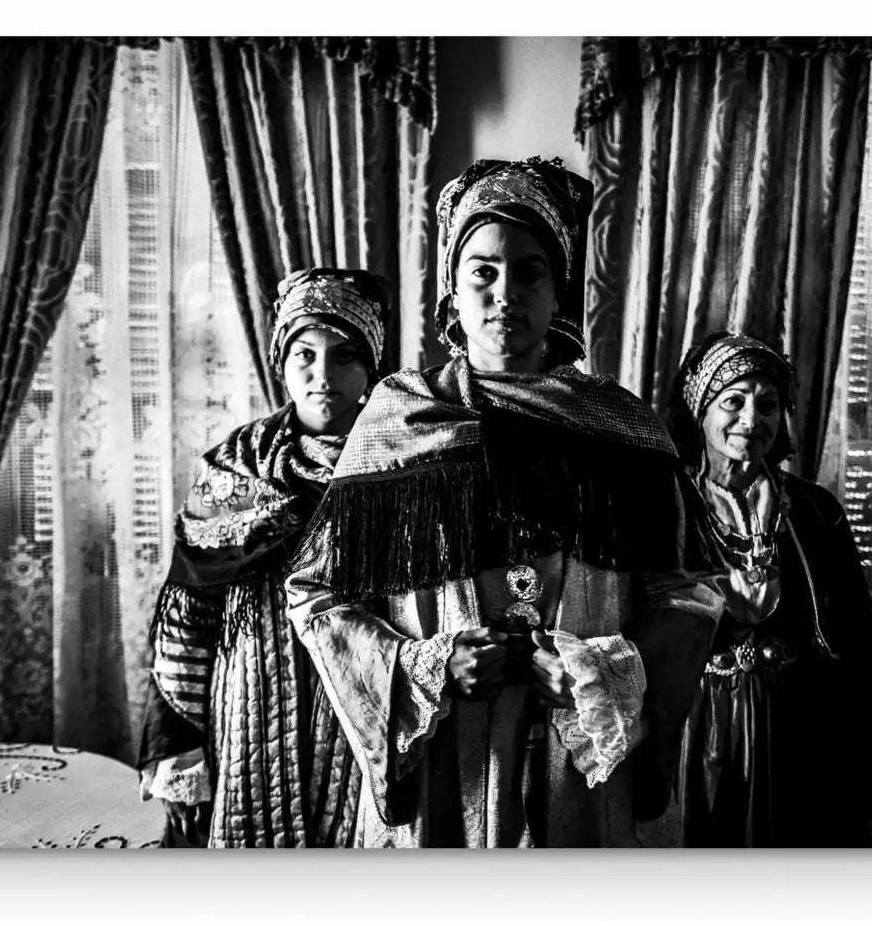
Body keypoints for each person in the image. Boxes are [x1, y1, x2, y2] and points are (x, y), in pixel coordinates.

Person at [286, 157, 725, 848]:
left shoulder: (625, 429)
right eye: (482, 271)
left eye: (529, 271)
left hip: (580, 769)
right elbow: (317, 597)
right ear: (452, 294)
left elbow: (688, 592)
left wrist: (608, 670)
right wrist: (422, 667)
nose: (504, 294)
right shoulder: (398, 421)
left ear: (560, 293)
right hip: (445, 764)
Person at [135, 268, 390, 847]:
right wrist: (179, 749)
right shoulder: (234, 469)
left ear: (370, 366)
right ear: (282, 363)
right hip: (248, 710)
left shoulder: (401, 468)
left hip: (362, 708)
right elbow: (187, 617)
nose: (323, 375)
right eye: (305, 354)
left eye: (344, 355)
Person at [666, 332, 872, 846]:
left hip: (800, 727)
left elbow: (857, 640)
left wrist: (870, 750)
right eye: (733, 401)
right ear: (701, 411)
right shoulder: (666, 508)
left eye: (768, 404)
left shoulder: (817, 512)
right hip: (695, 729)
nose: (752, 419)